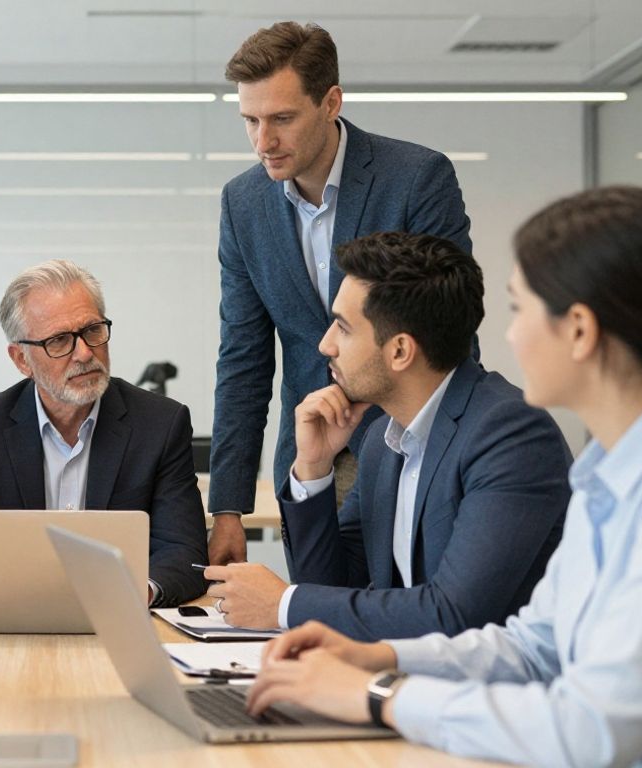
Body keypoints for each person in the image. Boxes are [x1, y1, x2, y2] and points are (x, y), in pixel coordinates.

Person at [244, 186, 642, 767]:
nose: (508, 335)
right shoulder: (610, 474)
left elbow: (591, 731)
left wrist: (376, 695)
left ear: (578, 330)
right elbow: (532, 647)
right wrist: (379, 658)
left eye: (520, 309)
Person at [207, 232, 570, 640]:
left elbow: (455, 614)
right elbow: (333, 590)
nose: (325, 345)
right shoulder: (384, 440)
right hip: (398, 681)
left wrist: (284, 604)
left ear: (399, 351)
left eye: (342, 328)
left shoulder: (509, 436)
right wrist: (313, 467)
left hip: (492, 694)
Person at [208, 22, 472, 566]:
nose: (263, 142)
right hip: (311, 456)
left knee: (408, 616)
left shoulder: (415, 178)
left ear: (331, 102)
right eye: (250, 121)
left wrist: (446, 453)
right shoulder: (243, 204)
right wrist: (227, 508)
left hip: (410, 444)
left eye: (281, 118)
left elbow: (449, 327)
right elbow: (244, 358)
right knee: (315, 613)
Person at [0, 260, 208, 607]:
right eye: (59, 341)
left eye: (93, 331)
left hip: (119, 622)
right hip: (8, 622)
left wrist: (136, 592)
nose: (84, 353)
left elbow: (184, 551)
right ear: (22, 359)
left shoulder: (160, 424)